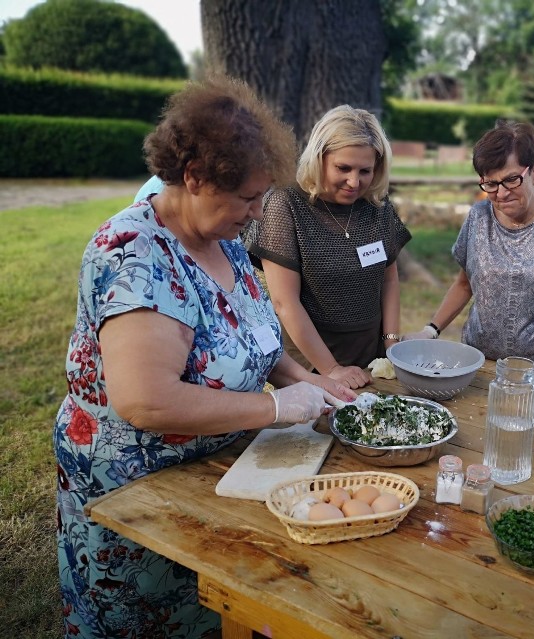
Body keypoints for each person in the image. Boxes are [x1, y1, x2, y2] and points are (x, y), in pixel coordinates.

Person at [55, 77, 356, 639]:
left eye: (262, 196)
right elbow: (147, 401)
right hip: (136, 493)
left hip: (207, 477)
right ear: (193, 178)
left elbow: (255, 340)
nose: (257, 211)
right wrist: (274, 409)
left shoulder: (225, 242)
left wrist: (311, 380)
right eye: (247, 197)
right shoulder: (135, 255)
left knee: (220, 614)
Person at [403, 120, 534, 392]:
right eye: (491, 184)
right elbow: (464, 284)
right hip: (479, 366)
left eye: (510, 179)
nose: (501, 193)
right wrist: (430, 330)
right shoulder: (478, 217)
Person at [242, 105, 411, 389]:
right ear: (319, 158)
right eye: (343, 168)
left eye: (365, 171)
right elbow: (285, 302)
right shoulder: (285, 204)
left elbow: (389, 279)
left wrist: (391, 346)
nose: (354, 182)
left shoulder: (377, 207)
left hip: (371, 356)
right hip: (312, 362)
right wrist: (331, 369)